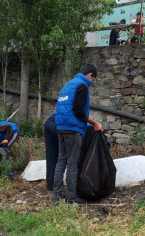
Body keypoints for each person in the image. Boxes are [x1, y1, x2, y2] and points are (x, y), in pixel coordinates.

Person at [52, 64, 103, 204]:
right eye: (93, 79)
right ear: (90, 75)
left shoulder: (68, 85)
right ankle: (71, 197)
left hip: (61, 127)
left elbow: (67, 109)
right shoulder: (82, 86)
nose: (92, 82)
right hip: (73, 130)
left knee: (61, 161)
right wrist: (94, 123)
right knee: (72, 164)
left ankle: (56, 196)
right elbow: (78, 111)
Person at [44, 113, 59, 191]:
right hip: (59, 125)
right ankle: (58, 185)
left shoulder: (64, 102)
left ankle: (51, 185)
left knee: (51, 157)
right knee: (64, 157)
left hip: (49, 122)